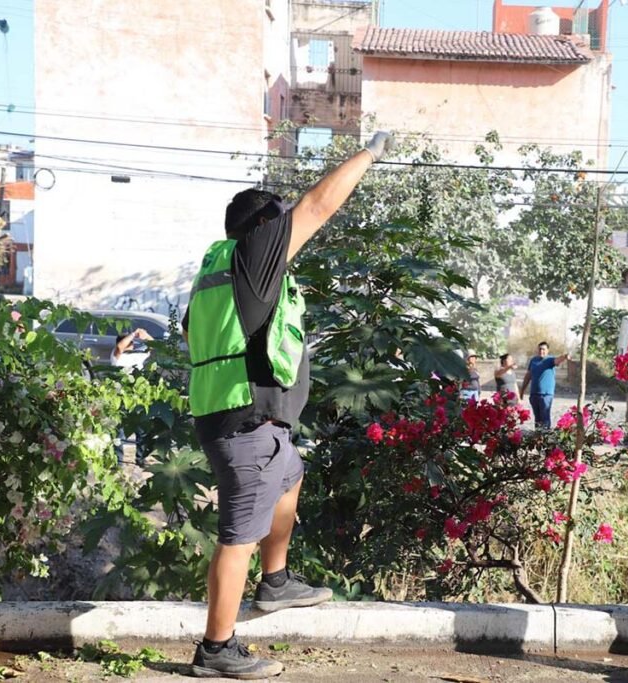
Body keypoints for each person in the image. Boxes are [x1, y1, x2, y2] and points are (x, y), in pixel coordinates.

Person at [182, 132, 394, 680]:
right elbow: (318, 205)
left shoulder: (220, 276)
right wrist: (370, 152)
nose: (286, 231)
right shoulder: (253, 256)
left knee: (291, 475)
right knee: (238, 539)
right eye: (277, 223)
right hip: (246, 427)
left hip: (240, 422)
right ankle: (216, 649)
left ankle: (275, 583)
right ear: (261, 230)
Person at [111, 327, 153, 465]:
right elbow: (119, 347)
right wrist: (133, 334)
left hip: (137, 396)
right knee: (120, 432)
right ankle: (119, 462)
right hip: (121, 397)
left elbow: (153, 345)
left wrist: (144, 334)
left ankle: (140, 459)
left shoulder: (138, 355)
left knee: (141, 431)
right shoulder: (116, 356)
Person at [519, 341, 568, 429]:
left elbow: (557, 360)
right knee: (537, 419)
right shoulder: (533, 360)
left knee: (545, 417)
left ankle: (545, 437)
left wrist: (564, 357)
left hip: (546, 394)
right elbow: (528, 376)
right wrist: (522, 390)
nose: (541, 351)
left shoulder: (550, 360)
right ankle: (538, 439)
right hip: (534, 394)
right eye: (540, 349)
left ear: (547, 350)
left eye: (543, 349)